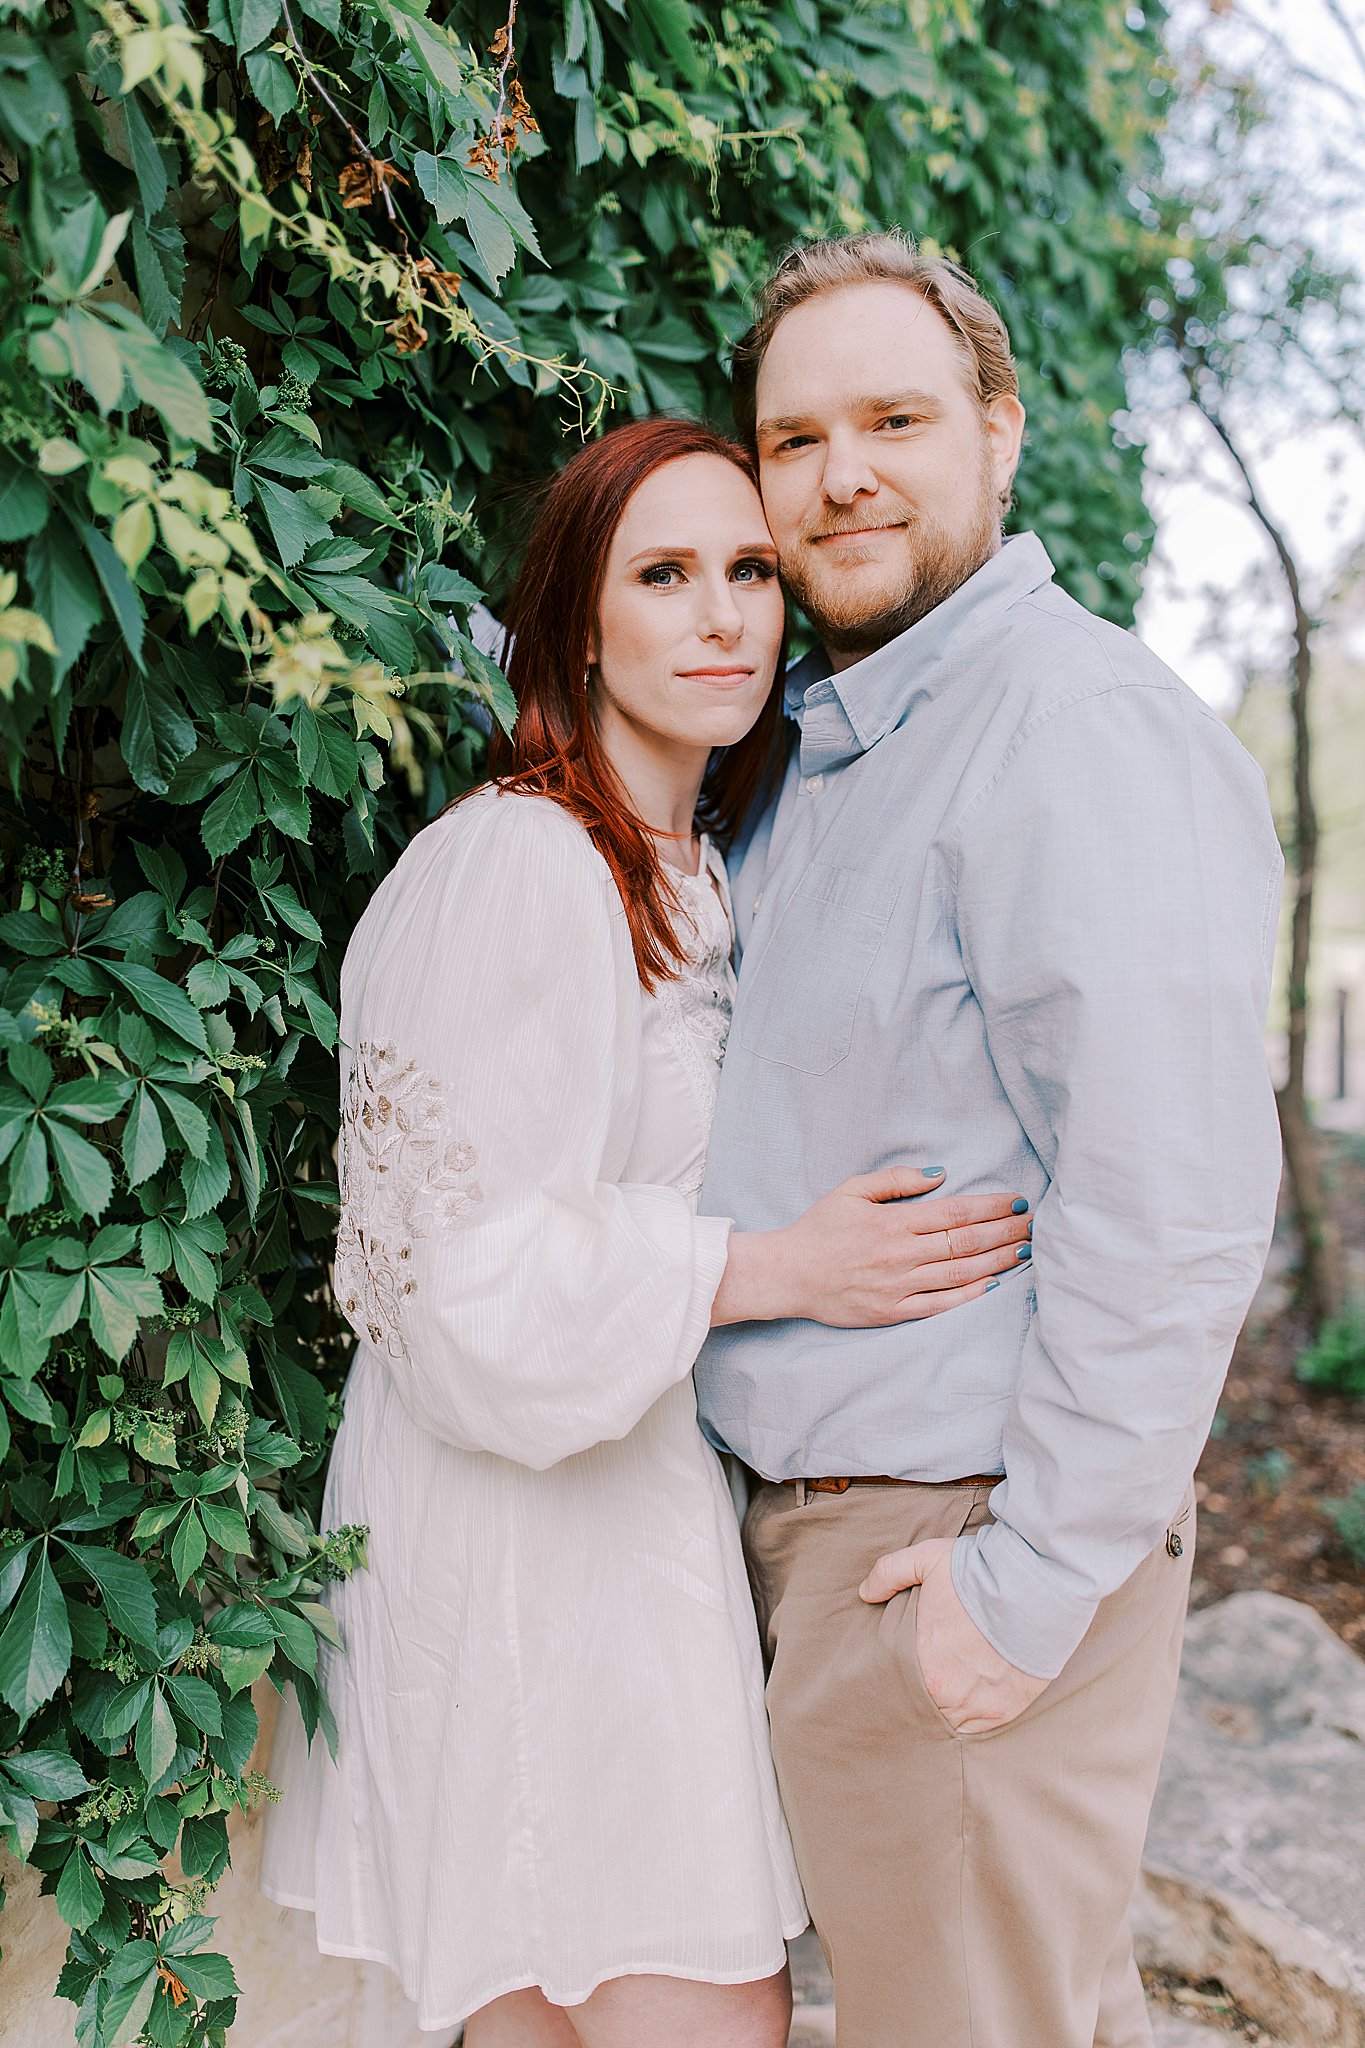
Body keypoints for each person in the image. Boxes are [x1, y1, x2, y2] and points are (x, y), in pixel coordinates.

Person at [260, 415, 1034, 2047]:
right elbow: (451, 1283)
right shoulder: (515, 863)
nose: (722, 616)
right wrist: (776, 1268)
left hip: (633, 1503)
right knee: (697, 2002)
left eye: (749, 571)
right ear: (576, 623)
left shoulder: (699, 866)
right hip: (521, 1532)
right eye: (663, 575)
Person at [695, 232, 1285, 2048]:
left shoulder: (1068, 730)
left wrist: (1016, 1594)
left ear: (999, 433)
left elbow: (1172, 1203)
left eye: (895, 420)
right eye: (794, 439)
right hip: (836, 1545)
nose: (840, 475)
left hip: (946, 1540)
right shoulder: (824, 746)